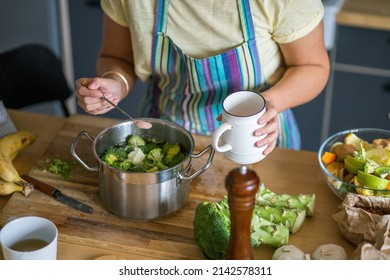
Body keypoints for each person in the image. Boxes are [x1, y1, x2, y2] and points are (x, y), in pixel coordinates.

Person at [76, 0, 330, 155]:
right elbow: (117, 57)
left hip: (257, 137)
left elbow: (312, 66)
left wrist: (264, 106)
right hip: (165, 132)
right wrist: (114, 83)